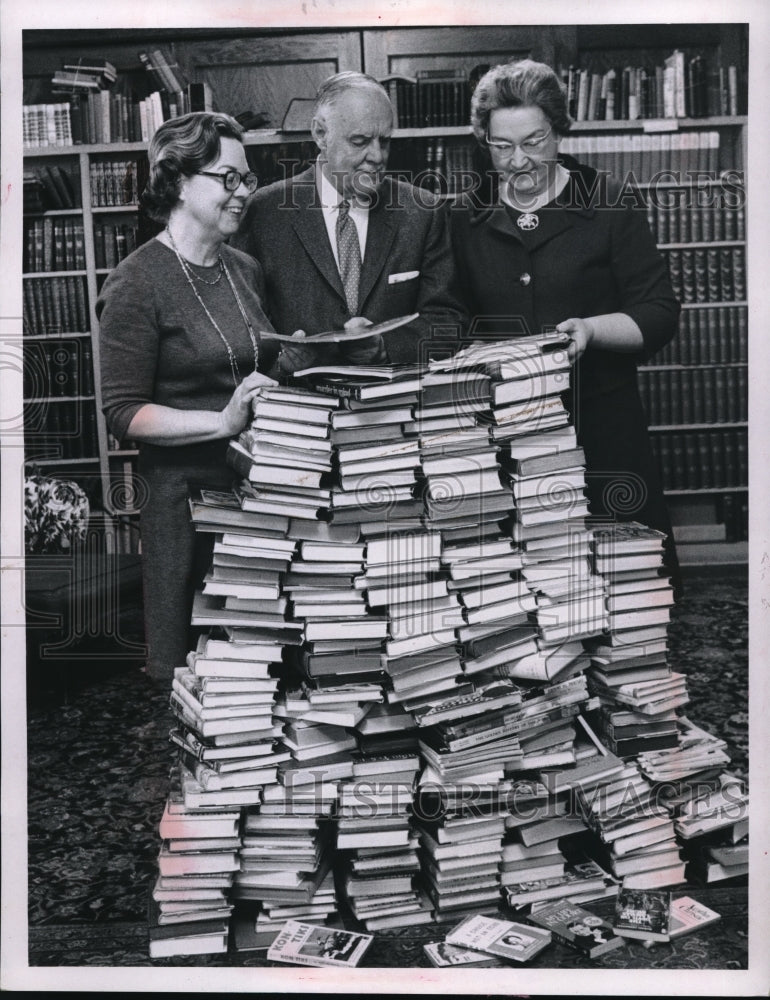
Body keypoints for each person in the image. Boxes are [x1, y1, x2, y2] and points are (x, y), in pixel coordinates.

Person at [449, 59, 682, 591]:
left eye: (534, 141)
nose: (519, 161)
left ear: (560, 128)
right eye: (501, 146)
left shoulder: (609, 203)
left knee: (624, 593)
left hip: (603, 428)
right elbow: (451, 318)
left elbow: (659, 311)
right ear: (483, 139)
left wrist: (592, 331)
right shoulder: (464, 217)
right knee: (521, 599)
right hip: (505, 434)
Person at [97, 112, 294, 682]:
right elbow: (124, 413)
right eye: (227, 179)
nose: (242, 195)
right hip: (184, 511)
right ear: (179, 182)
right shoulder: (136, 283)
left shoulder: (245, 269)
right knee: (196, 680)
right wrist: (223, 419)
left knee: (258, 677)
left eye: (247, 180)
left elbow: (253, 363)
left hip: (256, 501)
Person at [232, 70, 467, 373]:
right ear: (320, 134)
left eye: (385, 141)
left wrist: (385, 347)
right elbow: (240, 327)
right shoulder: (262, 213)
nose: (377, 156)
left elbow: (448, 322)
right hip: (298, 407)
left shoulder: (423, 211)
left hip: (395, 405)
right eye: (360, 141)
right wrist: (280, 362)